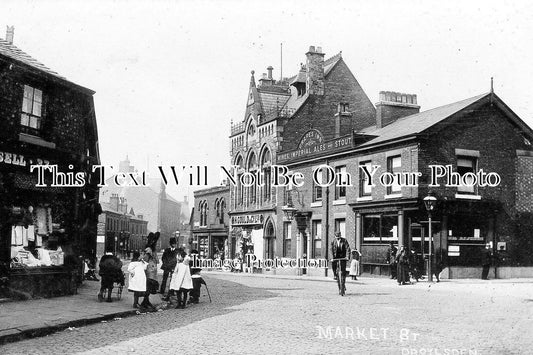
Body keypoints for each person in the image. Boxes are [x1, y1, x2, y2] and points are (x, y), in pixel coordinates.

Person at [141, 246, 158, 311]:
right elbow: (142, 263)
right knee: (148, 289)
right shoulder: (146, 257)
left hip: (152, 275)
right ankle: (144, 303)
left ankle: (146, 302)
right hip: (148, 275)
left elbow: (157, 261)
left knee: (149, 289)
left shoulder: (153, 257)